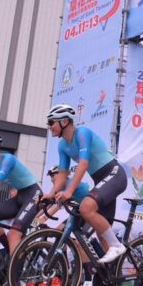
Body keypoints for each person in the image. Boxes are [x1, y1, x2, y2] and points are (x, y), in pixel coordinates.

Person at [43, 104, 128, 264]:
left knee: (86, 208)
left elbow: (83, 164)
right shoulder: (62, 145)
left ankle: (117, 245)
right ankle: (112, 277)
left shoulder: (82, 133)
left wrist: (69, 192)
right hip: (101, 180)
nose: (50, 127)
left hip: (114, 174)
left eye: (52, 122)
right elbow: (62, 175)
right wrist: (51, 194)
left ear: (65, 121)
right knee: (102, 231)